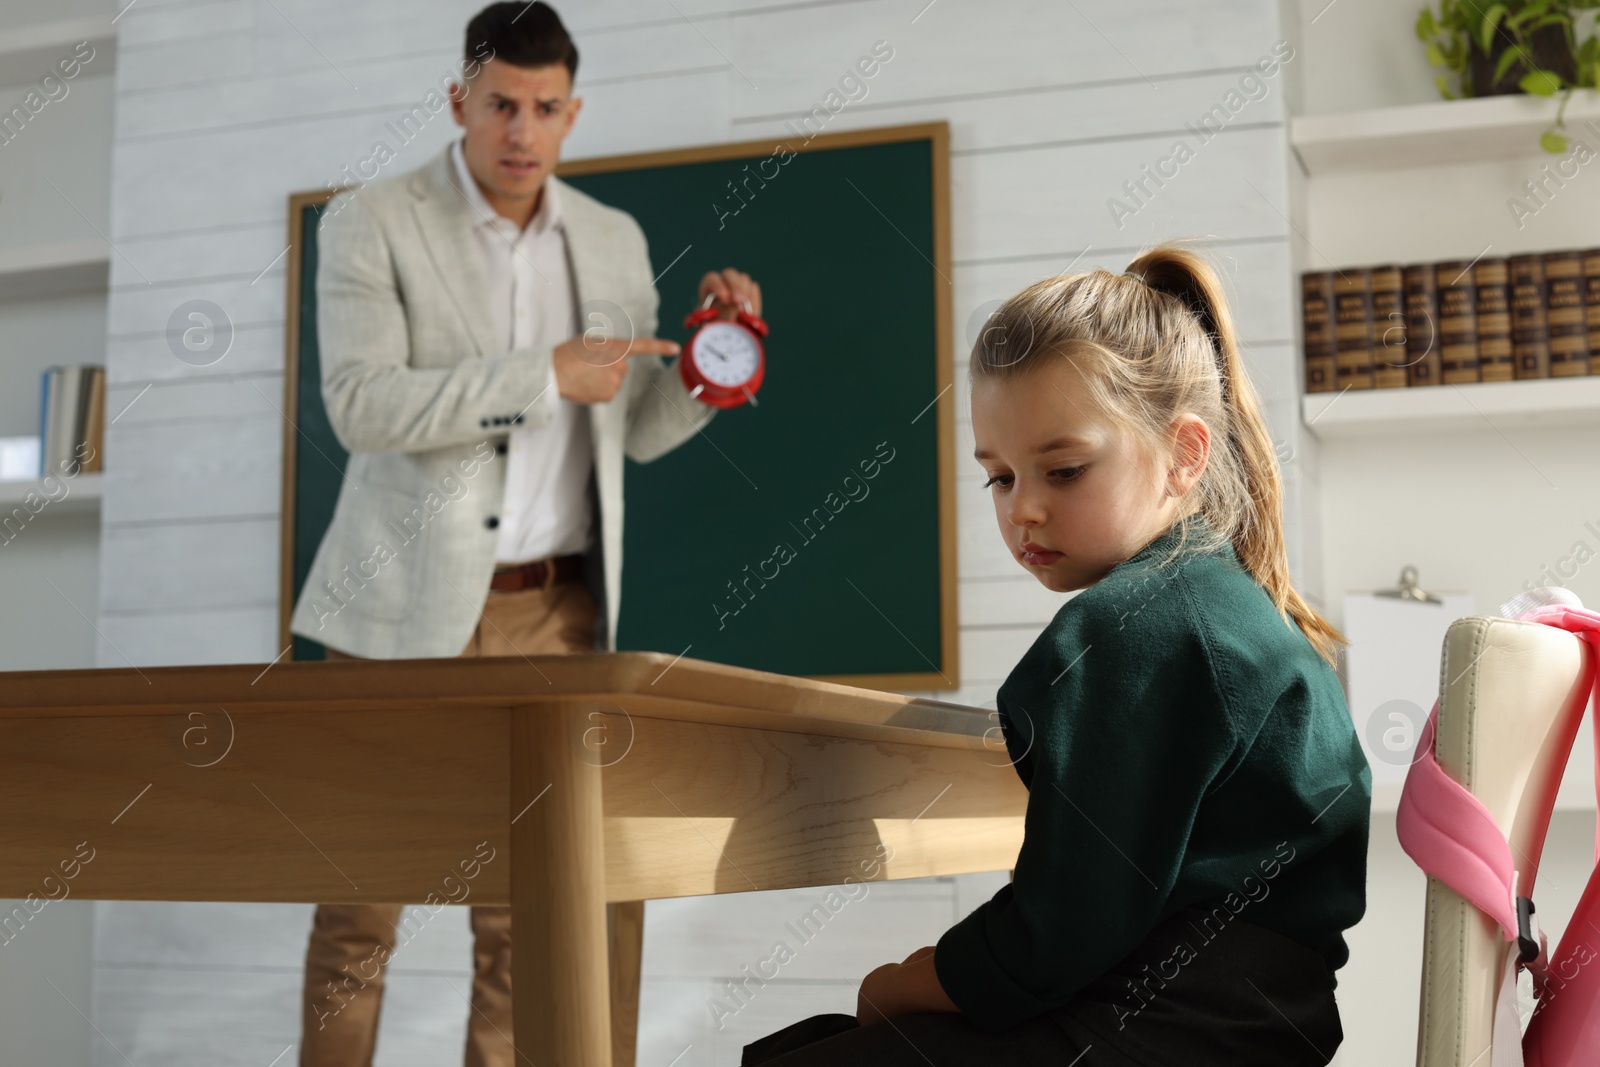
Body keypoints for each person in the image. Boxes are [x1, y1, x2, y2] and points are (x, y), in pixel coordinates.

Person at [741, 244, 1370, 1066]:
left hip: (1171, 1032)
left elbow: (1060, 931)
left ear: (1184, 454)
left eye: (1064, 470)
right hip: (1257, 1028)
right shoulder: (1221, 601)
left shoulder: (1142, 626)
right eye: (998, 478)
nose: (1024, 509)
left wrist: (903, 979)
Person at [285, 4, 763, 1065]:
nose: (521, 128)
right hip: (396, 610)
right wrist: (538, 374)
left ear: (572, 112)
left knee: (524, 921)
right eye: (501, 103)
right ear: (459, 101)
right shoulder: (372, 221)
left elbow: (633, 430)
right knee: (362, 910)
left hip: (559, 613)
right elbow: (361, 404)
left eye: (545, 108)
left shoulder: (612, 239)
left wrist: (705, 366)